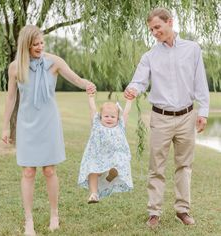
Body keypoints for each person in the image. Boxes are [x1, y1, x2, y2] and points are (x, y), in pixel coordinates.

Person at [1, 25, 96, 236]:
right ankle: (29, 221)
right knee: (28, 171)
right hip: (27, 124)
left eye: (42, 43)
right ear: (26, 45)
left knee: (49, 170)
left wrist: (86, 84)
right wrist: (6, 125)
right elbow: (11, 98)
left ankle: (54, 214)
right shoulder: (15, 68)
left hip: (48, 122)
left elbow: (75, 78)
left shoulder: (54, 62)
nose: (40, 47)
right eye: (35, 44)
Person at [124, 7, 209, 229]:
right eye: (151, 29)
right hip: (160, 118)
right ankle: (154, 212)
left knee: (184, 166)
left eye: (157, 27)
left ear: (170, 22)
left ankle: (183, 210)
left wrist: (203, 112)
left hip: (187, 116)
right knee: (156, 167)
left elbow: (200, 83)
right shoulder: (149, 56)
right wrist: (132, 89)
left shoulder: (192, 49)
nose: (154, 32)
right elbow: (140, 81)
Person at [78, 93, 133, 203]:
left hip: (115, 155)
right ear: (100, 117)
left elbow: (126, 113)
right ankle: (94, 194)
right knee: (92, 170)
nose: (109, 119)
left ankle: (112, 173)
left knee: (118, 161)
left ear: (118, 118)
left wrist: (129, 101)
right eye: (106, 116)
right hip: (97, 155)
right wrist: (91, 97)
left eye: (113, 117)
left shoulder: (120, 126)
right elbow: (92, 109)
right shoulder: (97, 125)